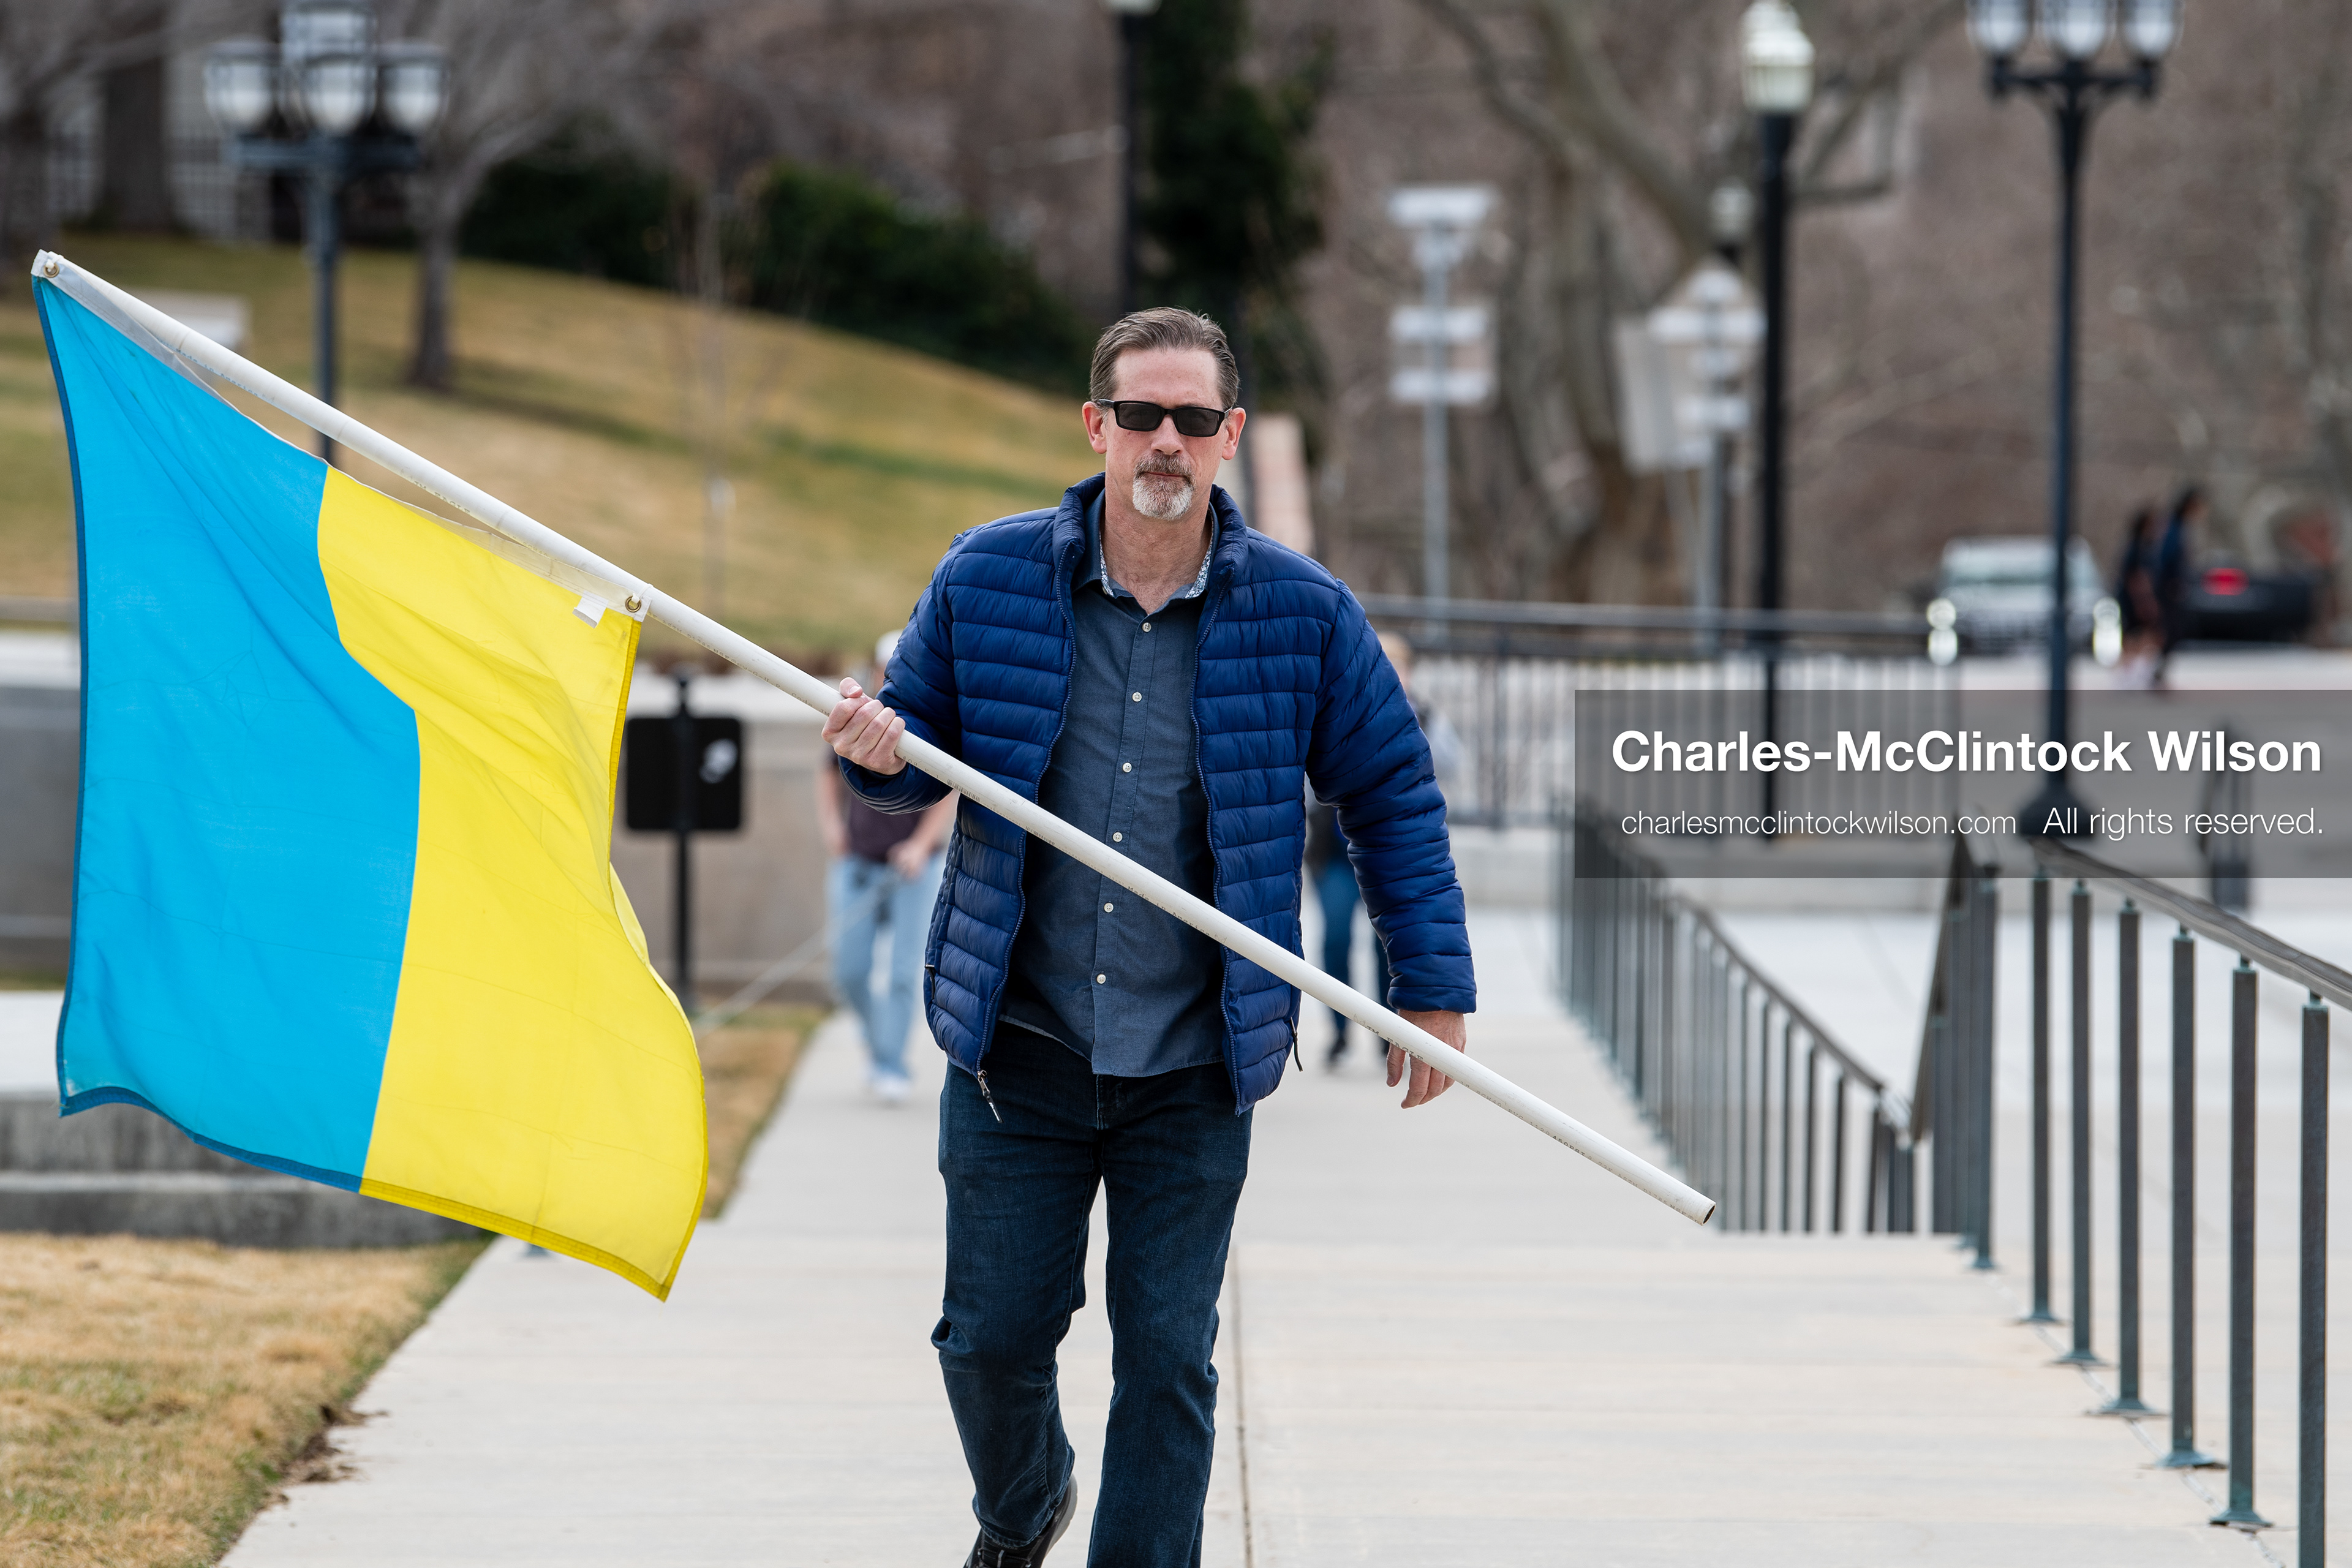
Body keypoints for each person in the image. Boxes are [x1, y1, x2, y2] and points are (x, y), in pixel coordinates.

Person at [821, 307, 1474, 1567]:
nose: (1163, 441)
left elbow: (1391, 788)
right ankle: (1023, 1507)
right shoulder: (988, 575)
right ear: (1096, 426)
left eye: (1191, 418)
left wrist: (1429, 982)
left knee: (1169, 1361)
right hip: (1020, 1043)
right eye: (1139, 415)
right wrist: (876, 758)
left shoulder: (1302, 612)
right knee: (991, 1339)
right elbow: (911, 758)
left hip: (1193, 1059)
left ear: (1230, 435)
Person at [813, 631, 957, 1103]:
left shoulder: (933, 716)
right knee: (850, 969)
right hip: (858, 861)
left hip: (914, 868)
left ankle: (891, 1064)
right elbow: (827, 771)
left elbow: (950, 788)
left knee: (902, 973)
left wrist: (920, 845)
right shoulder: (859, 717)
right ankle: (878, 1045)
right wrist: (834, 829)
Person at [1308, 631, 1461, 1068]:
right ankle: (1338, 1033)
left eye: (1400, 666)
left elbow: (1451, 766)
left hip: (1392, 856)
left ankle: (1385, 1034)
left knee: (1389, 948)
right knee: (1336, 937)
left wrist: (1408, 735)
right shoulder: (1337, 707)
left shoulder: (1425, 718)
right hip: (1335, 852)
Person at [2111, 503, 2163, 685]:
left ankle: (2133, 673)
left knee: (2138, 638)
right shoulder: (2137, 548)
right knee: (2138, 637)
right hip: (2133, 600)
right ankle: (2130, 674)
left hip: (2133, 599)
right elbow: (2135, 578)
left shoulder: (2141, 547)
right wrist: (2144, 602)